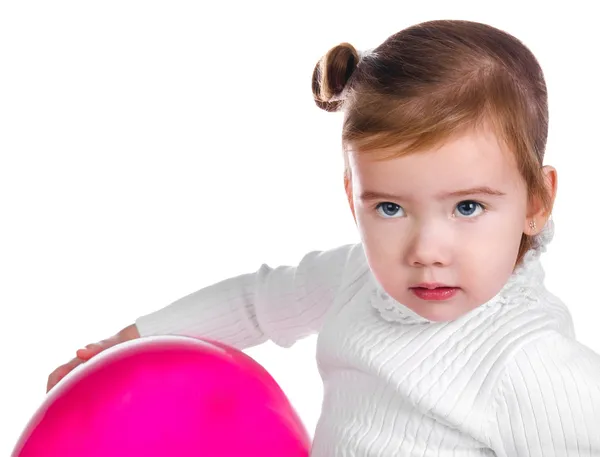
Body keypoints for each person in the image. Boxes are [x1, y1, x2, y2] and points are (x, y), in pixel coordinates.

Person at [47, 19, 600, 456]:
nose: (426, 250)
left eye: (467, 207)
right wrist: (124, 345)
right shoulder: (357, 276)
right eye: (389, 207)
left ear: (536, 201)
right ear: (351, 196)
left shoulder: (528, 361)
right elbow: (256, 303)